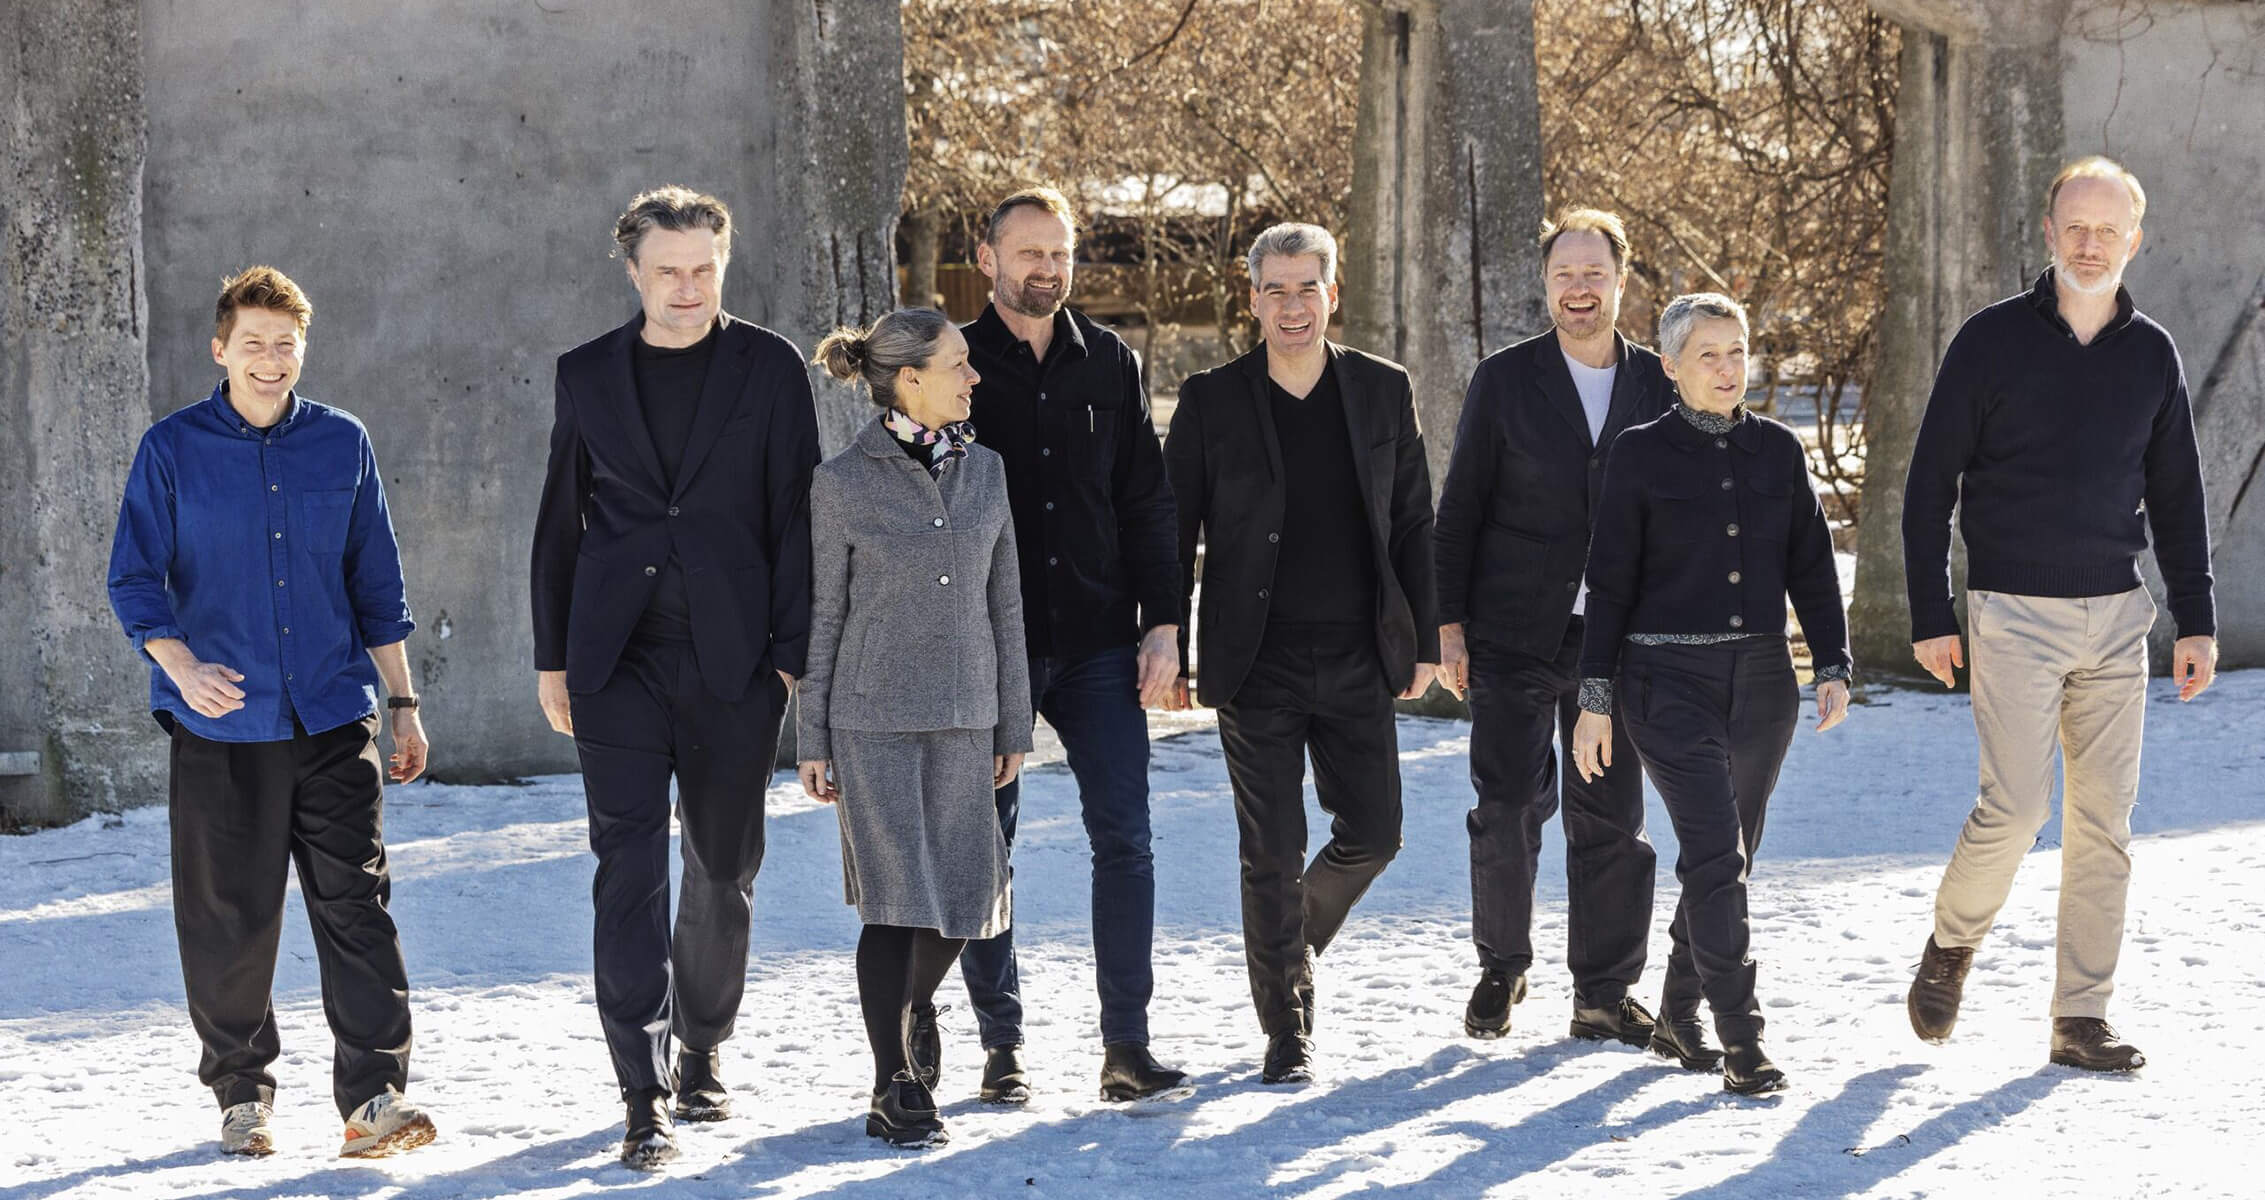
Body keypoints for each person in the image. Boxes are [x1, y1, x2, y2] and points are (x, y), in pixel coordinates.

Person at [107, 266, 437, 1158]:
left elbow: (377, 581)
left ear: (303, 350)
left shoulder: (341, 442)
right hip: (222, 727)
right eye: (252, 342)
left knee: (358, 909)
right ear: (220, 350)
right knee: (230, 919)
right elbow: (134, 578)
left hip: (334, 715)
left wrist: (401, 703)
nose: (270, 359)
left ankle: (374, 1101)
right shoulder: (171, 449)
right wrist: (179, 666)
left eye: (285, 344)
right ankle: (242, 1097)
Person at [1901, 156, 2217, 1073]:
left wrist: (2193, 620)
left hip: (2117, 616)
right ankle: (1953, 941)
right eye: (2074, 227)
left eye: (2106, 230)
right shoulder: (1989, 342)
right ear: (2048, 234)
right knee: (2015, 807)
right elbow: (1928, 489)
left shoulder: (2152, 354)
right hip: (2011, 611)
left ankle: (2080, 1015)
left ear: (2134, 240)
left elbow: (2179, 498)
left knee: (2103, 823)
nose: (2089, 244)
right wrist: (1931, 611)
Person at [529, 186, 819, 1167]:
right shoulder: (588, 375)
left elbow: (798, 521)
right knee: (628, 871)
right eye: (668, 272)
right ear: (634, 271)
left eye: (703, 270)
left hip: (736, 664)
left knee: (724, 867)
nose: (687, 288)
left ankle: (701, 1046)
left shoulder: (772, 368)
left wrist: (788, 664)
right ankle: (640, 1090)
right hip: (616, 660)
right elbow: (560, 523)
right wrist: (553, 657)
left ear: (721, 266)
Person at [1164, 223, 1439, 1084]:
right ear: (1252, 299)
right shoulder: (1211, 400)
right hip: (1257, 660)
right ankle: (1286, 1026)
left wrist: (1424, 639)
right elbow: (1172, 533)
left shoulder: (1381, 390)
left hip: (1361, 651)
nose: (1291, 306)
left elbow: (1412, 522)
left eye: (1305, 289)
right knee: (1270, 851)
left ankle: (1291, 944)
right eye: (1274, 290)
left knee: (1376, 832)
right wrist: (1164, 637)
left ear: (1332, 293)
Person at [1570, 291, 1851, 1096]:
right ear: (1671, 367)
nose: (1727, 369)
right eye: (1708, 355)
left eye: (1737, 352)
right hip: (1664, 683)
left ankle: (1677, 1009)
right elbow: (1610, 582)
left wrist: (1830, 662)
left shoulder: (1777, 449)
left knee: (1732, 858)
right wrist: (1595, 697)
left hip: (1763, 681)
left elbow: (1810, 563)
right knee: (1713, 857)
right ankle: (1743, 1044)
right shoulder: (1637, 454)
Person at [953, 186, 1189, 1104]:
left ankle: (1125, 1048)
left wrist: (1163, 623)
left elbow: (1145, 501)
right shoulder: (954, 363)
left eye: (1058, 253)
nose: (1045, 269)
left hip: (1097, 642)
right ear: (988, 260)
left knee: (1124, 840)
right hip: (990, 644)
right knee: (986, 848)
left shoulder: (1112, 363)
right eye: (1027, 254)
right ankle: (1000, 1047)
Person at [1432, 208, 1670, 1047]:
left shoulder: (1658, 380)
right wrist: (1448, 625)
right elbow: (1459, 506)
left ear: (1620, 279)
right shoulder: (1505, 380)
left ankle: (1602, 993)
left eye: (1593, 272)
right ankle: (1501, 966)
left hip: (1620, 638)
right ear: (1545, 285)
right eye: (1563, 274)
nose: (1578, 288)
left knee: (1608, 816)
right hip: (1511, 630)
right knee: (1505, 806)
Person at [798, 308, 1032, 1148]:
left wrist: (1015, 717)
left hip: (971, 717)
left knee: (966, 899)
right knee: (894, 906)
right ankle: (891, 1083)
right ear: (909, 379)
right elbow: (824, 614)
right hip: (873, 721)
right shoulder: (842, 481)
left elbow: (1004, 604)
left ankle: (911, 1008)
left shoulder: (988, 471)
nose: (973, 377)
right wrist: (813, 735)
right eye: (959, 364)